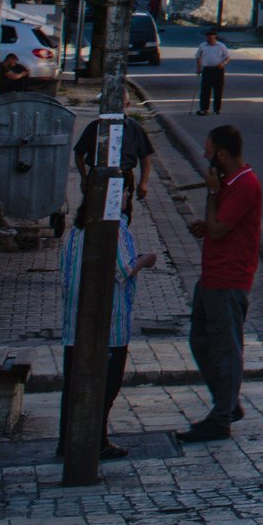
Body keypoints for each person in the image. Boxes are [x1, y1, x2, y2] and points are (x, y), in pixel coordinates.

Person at [55, 183, 158, 461]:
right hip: (109, 325)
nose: (127, 195)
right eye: (123, 190)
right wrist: (146, 260)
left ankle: (67, 441)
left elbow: (64, 274)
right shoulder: (116, 231)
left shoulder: (74, 233)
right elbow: (124, 269)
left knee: (74, 385)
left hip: (74, 324)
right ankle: (95, 440)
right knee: (106, 386)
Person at [181, 124, 261, 443]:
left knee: (226, 348)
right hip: (211, 275)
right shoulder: (228, 181)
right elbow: (216, 225)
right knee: (200, 341)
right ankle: (226, 403)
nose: (204, 156)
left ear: (223, 155)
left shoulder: (244, 184)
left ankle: (222, 416)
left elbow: (218, 230)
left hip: (229, 278)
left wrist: (212, 194)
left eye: (209, 151)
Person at [73, 89, 154, 201]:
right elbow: (79, 153)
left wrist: (143, 182)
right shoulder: (95, 127)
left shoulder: (135, 128)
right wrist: (84, 177)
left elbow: (145, 157)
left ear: (127, 104)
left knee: (122, 213)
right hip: (97, 177)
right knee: (90, 211)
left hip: (124, 177)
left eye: (120, 102)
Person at [195, 27, 231, 115]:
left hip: (218, 69)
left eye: (210, 38)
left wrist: (223, 63)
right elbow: (198, 56)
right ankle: (204, 109)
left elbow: (227, 57)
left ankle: (217, 109)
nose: (209, 39)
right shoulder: (203, 45)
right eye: (207, 38)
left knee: (218, 89)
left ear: (215, 37)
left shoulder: (221, 46)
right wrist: (199, 68)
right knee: (205, 90)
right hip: (207, 69)